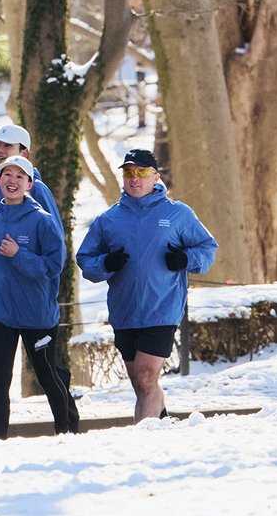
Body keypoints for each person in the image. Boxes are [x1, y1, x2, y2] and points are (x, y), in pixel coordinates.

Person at [75, 148, 218, 422]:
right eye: (129, 173)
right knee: (142, 383)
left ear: (156, 177)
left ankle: (144, 439)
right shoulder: (108, 219)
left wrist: (185, 258)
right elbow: (86, 259)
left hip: (162, 308)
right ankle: (162, 423)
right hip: (125, 312)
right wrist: (106, 263)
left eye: (141, 173)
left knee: (144, 377)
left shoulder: (178, 214)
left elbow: (208, 247)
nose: (134, 179)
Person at [0, 155, 79, 438]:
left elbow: (55, 266)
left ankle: (65, 432)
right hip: (0, 312)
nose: (12, 181)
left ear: (30, 184)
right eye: (7, 175)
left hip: (37, 314)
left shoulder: (43, 221)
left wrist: (20, 255)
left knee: (46, 375)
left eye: (19, 176)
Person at [0, 123, 59, 252]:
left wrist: (22, 257)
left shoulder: (37, 189)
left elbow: (55, 241)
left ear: (24, 153)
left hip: (32, 271)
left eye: (8, 145)